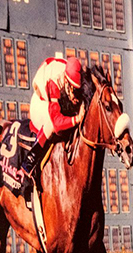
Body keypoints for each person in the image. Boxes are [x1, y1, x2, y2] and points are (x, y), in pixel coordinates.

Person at [18, 56, 87, 192]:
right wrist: (77, 119)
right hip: (40, 102)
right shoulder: (54, 84)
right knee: (51, 126)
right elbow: (57, 122)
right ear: (66, 81)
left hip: (56, 94)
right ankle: (28, 164)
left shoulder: (72, 78)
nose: (75, 94)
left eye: (77, 90)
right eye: (73, 90)